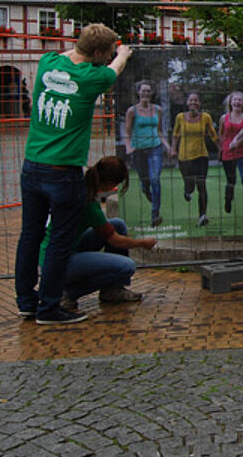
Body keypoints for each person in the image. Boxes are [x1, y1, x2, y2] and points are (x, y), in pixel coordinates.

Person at [15, 23, 132, 325]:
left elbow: (71, 55)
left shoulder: (48, 63)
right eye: (104, 54)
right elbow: (115, 69)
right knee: (60, 243)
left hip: (32, 166)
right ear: (96, 54)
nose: (108, 59)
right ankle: (50, 308)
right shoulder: (91, 77)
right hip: (62, 171)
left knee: (30, 235)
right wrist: (122, 53)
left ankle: (27, 302)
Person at [40, 156, 158, 314]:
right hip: (59, 260)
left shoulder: (81, 187)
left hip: (58, 250)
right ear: (109, 183)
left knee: (117, 224)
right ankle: (65, 292)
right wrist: (142, 243)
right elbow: (116, 241)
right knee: (126, 266)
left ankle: (113, 289)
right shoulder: (88, 204)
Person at [125, 79, 171, 227]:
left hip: (155, 148)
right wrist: (128, 147)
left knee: (155, 180)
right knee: (145, 182)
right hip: (138, 150)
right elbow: (127, 132)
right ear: (138, 92)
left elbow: (159, 131)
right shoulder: (132, 111)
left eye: (148, 91)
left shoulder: (157, 109)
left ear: (151, 93)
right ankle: (146, 190)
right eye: (143, 90)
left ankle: (155, 215)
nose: (145, 93)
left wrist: (168, 146)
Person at [170, 92, 218, 226]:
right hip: (184, 158)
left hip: (201, 156)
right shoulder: (180, 117)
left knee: (201, 186)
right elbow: (175, 134)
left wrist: (221, 148)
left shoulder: (206, 117)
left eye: (196, 101)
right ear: (187, 103)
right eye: (191, 100)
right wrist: (173, 149)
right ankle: (187, 191)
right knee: (190, 185)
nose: (193, 103)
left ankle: (202, 216)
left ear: (199, 103)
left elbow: (213, 134)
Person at [219, 91, 243, 219]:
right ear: (230, 102)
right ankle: (228, 199)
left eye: (240, 100)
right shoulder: (224, 118)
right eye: (235, 100)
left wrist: (237, 142)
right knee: (231, 180)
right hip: (228, 153)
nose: (237, 102)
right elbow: (221, 134)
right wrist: (221, 148)